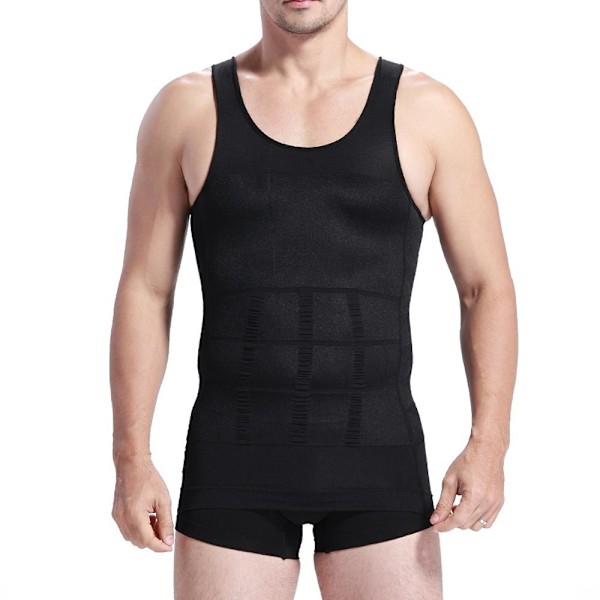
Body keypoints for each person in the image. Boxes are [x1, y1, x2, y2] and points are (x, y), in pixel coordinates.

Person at [110, 0, 518, 598]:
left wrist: (489, 445)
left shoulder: (427, 111)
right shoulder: (188, 108)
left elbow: (485, 287)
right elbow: (146, 289)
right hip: (233, 459)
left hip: (379, 459)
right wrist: (131, 458)